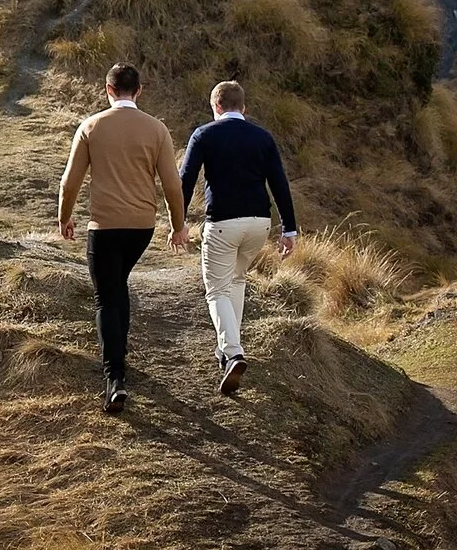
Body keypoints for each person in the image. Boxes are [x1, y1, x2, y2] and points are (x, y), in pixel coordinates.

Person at [57, 63, 188, 413]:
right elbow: (172, 186)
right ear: (139, 90)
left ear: (108, 89)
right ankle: (121, 354)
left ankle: (114, 377)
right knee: (119, 284)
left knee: (105, 297)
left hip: (104, 226)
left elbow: (70, 183)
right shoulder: (157, 129)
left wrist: (64, 217)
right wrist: (178, 225)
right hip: (141, 227)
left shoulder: (90, 127)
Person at [178, 79, 298, 396]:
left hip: (222, 223)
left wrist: (178, 222)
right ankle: (226, 350)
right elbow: (280, 184)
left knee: (216, 289)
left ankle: (233, 352)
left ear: (215, 106)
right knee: (237, 280)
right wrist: (289, 229)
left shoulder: (203, 134)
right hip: (259, 222)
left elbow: (186, 180)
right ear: (243, 107)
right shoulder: (263, 137)